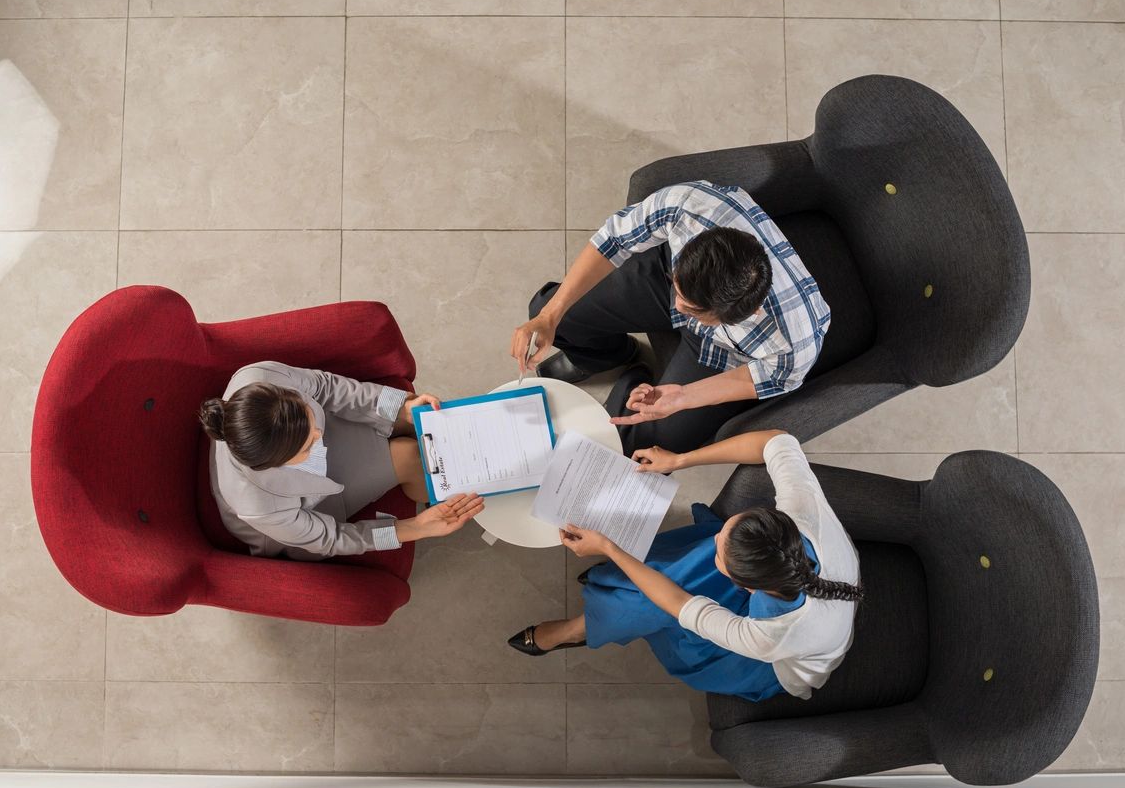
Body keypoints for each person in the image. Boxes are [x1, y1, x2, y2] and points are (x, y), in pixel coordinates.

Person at [507, 430, 861, 702]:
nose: (716, 541)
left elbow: (677, 603)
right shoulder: (803, 512)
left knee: (654, 600)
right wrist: (679, 461)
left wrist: (610, 548)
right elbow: (777, 439)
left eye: (721, 552)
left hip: (767, 666)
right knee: (682, 570)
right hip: (788, 595)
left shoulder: (768, 636)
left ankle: (579, 627)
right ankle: (608, 598)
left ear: (746, 586)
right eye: (726, 531)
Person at [510, 181, 830, 454]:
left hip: (728, 353)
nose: (677, 307)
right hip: (668, 276)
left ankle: (633, 376)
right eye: (681, 297)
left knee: (644, 445)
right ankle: (602, 356)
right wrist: (549, 316)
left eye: (691, 310)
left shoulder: (793, 345)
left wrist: (684, 397)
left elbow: (770, 379)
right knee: (553, 309)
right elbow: (613, 240)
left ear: (748, 313)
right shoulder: (690, 206)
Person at [199, 361, 483, 560]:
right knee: (410, 455)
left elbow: (327, 387)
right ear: (281, 463)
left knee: (419, 414)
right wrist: (416, 528)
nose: (319, 435)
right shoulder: (261, 505)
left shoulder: (259, 376)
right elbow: (331, 539)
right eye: (309, 444)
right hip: (304, 510)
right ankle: (450, 489)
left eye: (311, 422)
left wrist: (401, 407)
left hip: (283, 438)